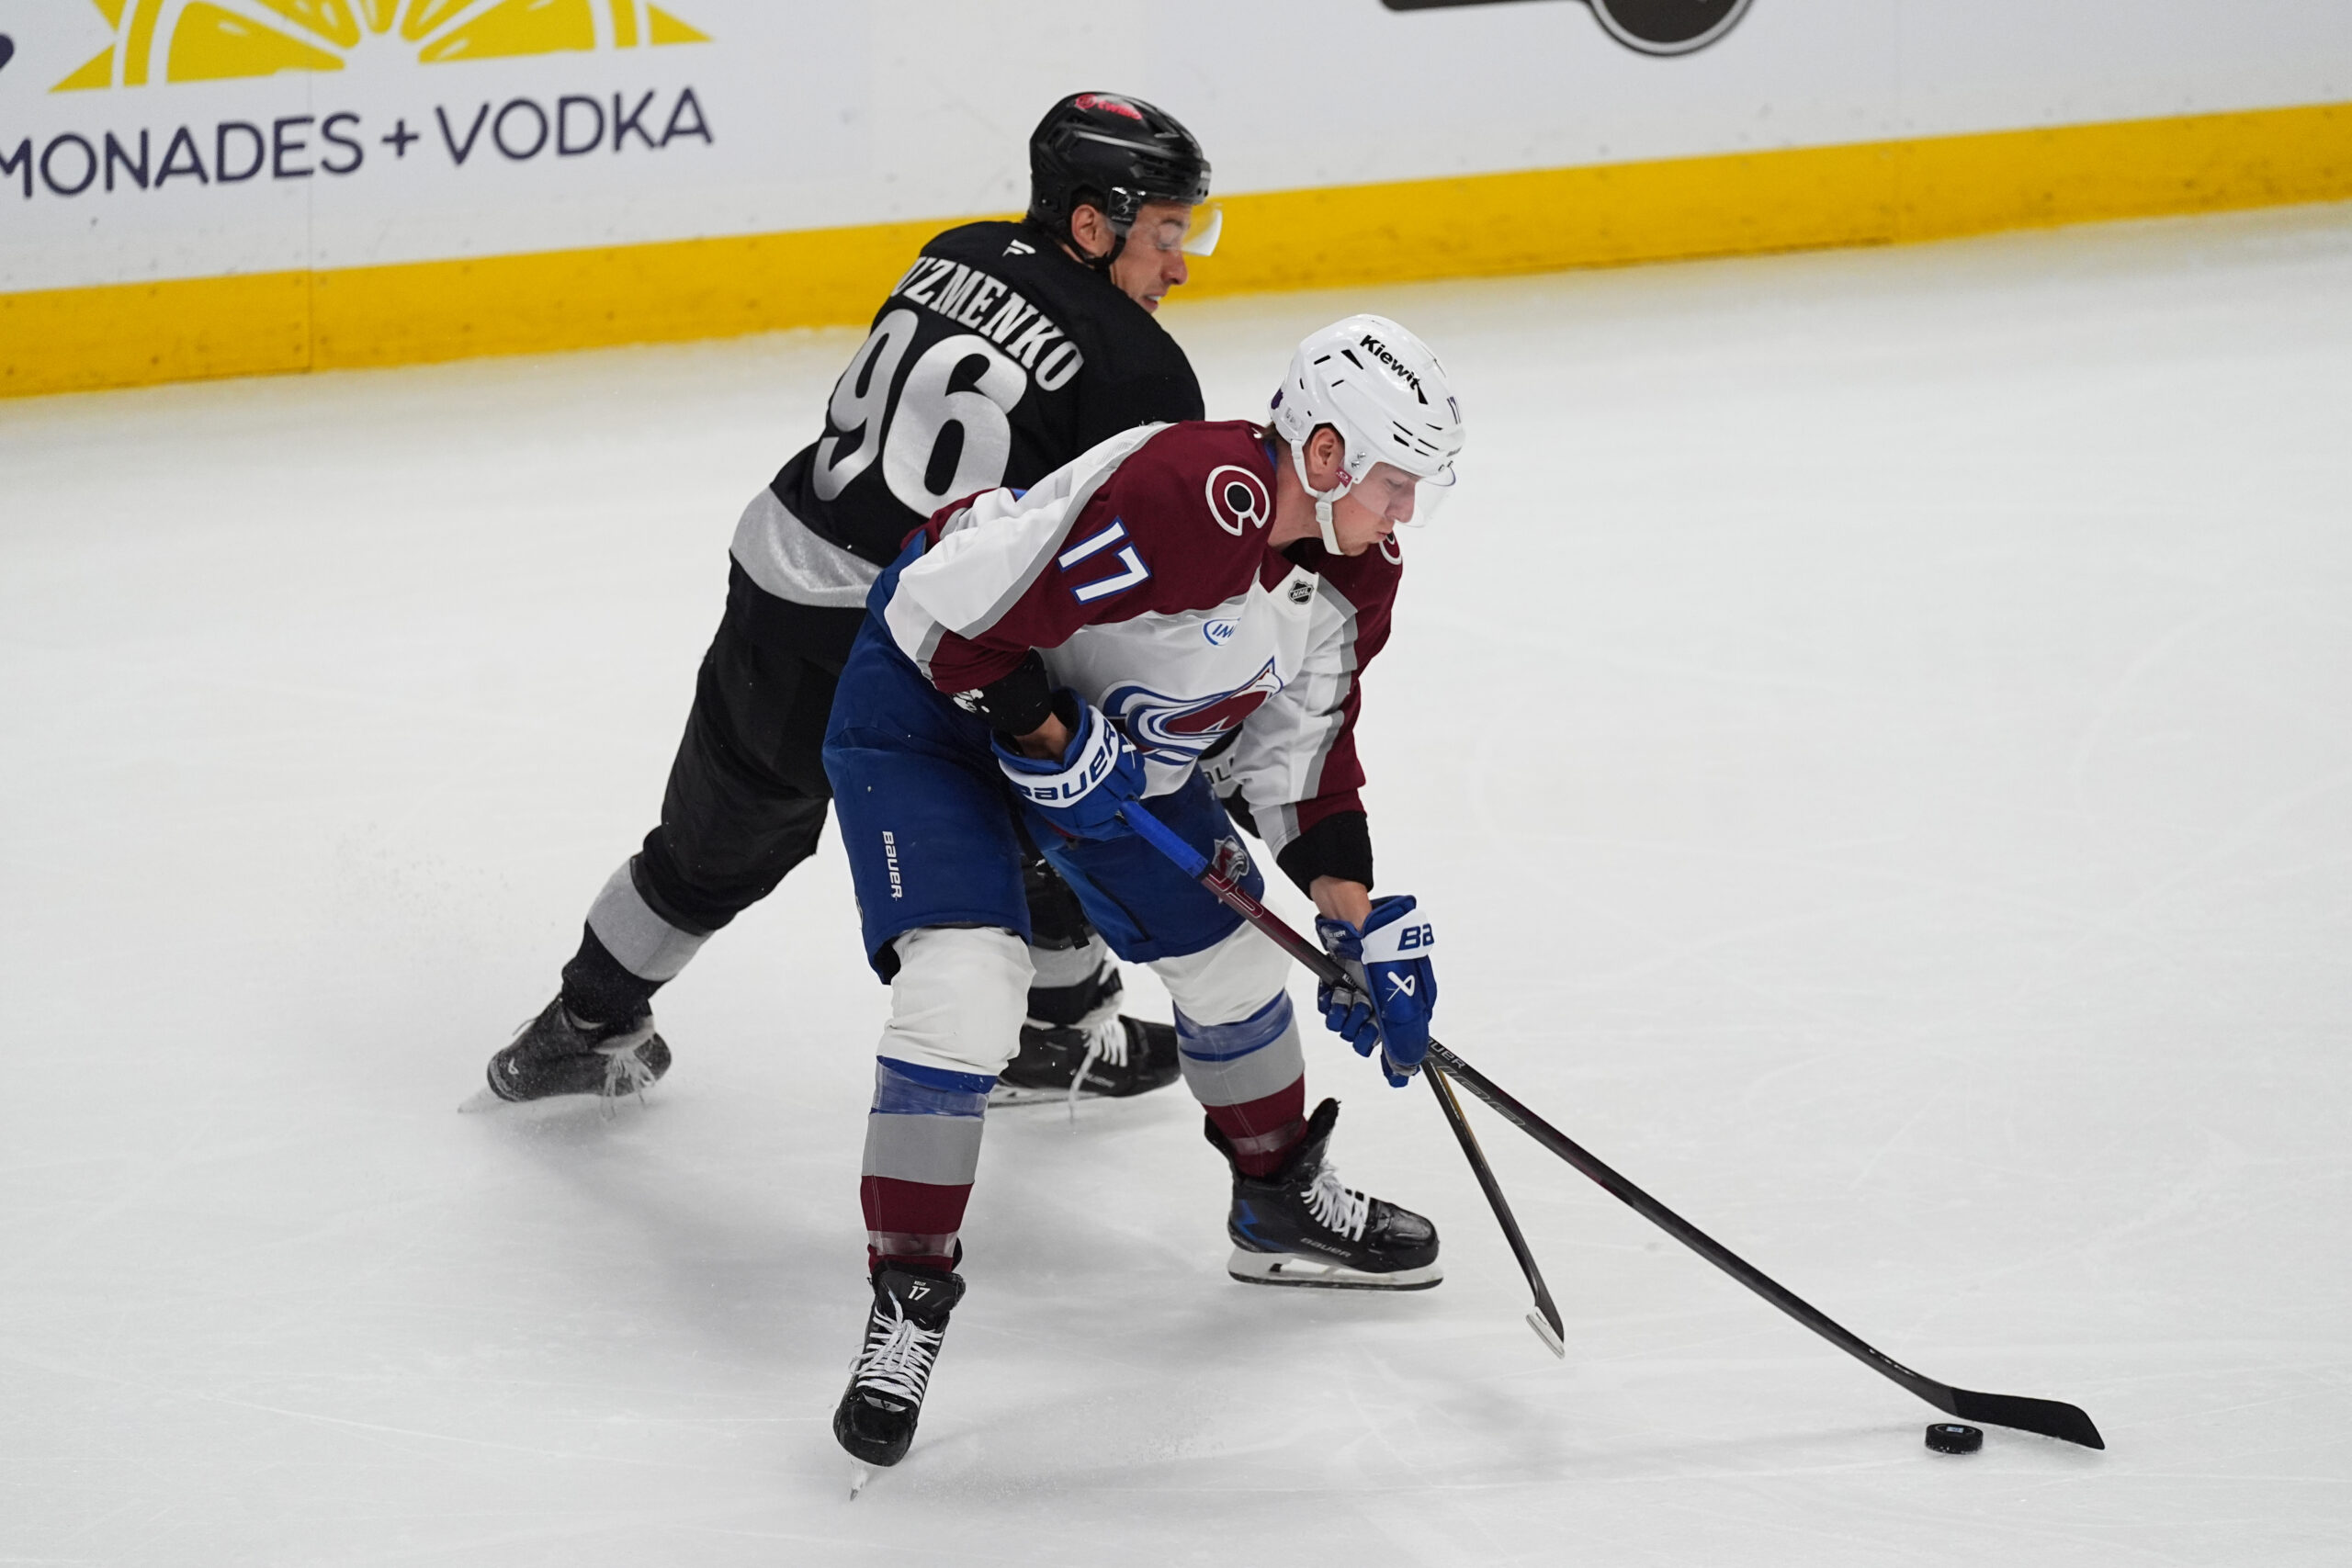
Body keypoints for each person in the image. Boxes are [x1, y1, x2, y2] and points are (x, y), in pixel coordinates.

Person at [483, 94, 1224, 1109]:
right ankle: (1050, 1034)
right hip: (910, 639)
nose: (1179, 263)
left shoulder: (956, 249)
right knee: (1051, 792)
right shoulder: (1140, 370)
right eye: (1166, 233)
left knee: (717, 843)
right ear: (1093, 224)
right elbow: (1104, 590)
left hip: (779, 579)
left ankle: (583, 1022)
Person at [822, 314, 1466, 1468]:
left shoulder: (1349, 582)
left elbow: (1299, 767)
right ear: (1322, 456)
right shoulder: (1191, 491)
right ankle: (906, 1298)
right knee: (965, 988)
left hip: (1101, 743)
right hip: (932, 703)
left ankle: (1272, 1201)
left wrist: (1357, 921)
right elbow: (967, 630)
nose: (1404, 512)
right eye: (1393, 482)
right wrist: (1044, 731)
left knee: (1233, 960)